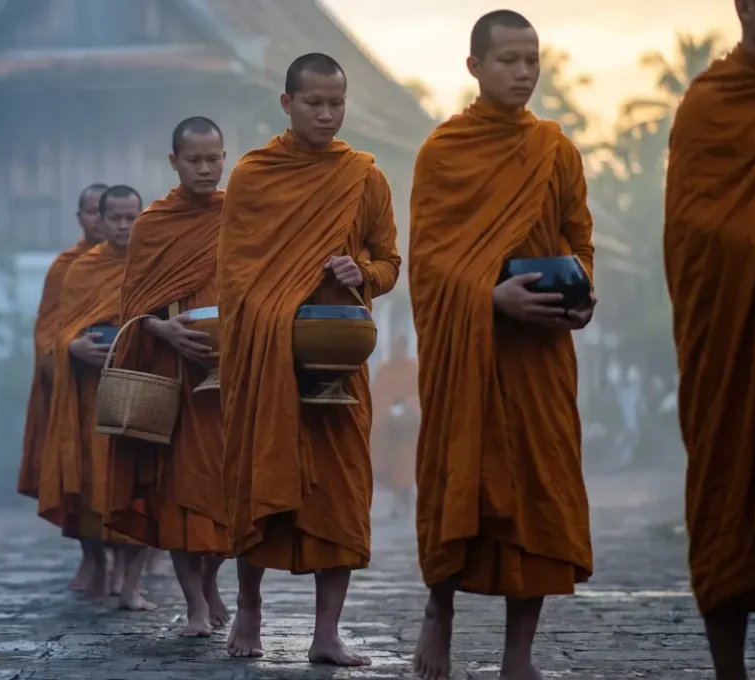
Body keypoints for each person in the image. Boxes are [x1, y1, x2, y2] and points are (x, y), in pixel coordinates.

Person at [406, 11, 596, 680]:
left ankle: (521, 654)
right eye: (508, 60)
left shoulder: (556, 149)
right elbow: (426, 264)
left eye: (532, 60)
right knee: (458, 476)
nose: (523, 72)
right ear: (474, 67)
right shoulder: (443, 152)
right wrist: (489, 296)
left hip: (539, 353)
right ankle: (440, 612)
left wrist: (579, 292)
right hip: (470, 354)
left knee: (540, 490)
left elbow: (579, 238)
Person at [217, 52, 401, 665]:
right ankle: (249, 611)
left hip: (338, 357)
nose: (327, 114)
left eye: (337, 103)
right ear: (287, 103)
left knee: (342, 490)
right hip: (268, 357)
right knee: (259, 474)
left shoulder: (363, 176)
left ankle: (327, 634)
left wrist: (363, 271)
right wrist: (277, 315)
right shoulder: (253, 175)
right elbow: (237, 275)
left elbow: (390, 263)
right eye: (315, 103)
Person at [663, 3, 755, 677]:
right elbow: (694, 234)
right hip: (729, 342)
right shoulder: (710, 106)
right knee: (724, 494)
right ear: (745, 6)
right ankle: (728, 671)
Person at [105, 116, 231, 637]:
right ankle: (195, 606)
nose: (205, 168)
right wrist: (165, 332)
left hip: (234, 376)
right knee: (181, 494)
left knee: (228, 492)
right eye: (194, 159)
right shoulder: (154, 225)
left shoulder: (241, 216)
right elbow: (133, 308)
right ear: (174, 162)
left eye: (214, 158)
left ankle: (213, 584)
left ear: (225, 158)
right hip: (176, 377)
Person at [39, 185, 154, 608]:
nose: (124, 226)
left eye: (132, 217)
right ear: (99, 222)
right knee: (93, 482)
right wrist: (73, 348)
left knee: (139, 482)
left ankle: (131, 582)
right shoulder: (82, 269)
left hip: (139, 386)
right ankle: (100, 564)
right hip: (90, 393)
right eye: (115, 218)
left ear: (143, 218)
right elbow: (63, 329)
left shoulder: (153, 263)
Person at [19, 183, 108, 593]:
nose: (99, 220)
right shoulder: (66, 266)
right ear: (80, 218)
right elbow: (46, 330)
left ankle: (132, 567)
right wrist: (72, 348)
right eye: (90, 212)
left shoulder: (140, 260)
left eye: (104, 212)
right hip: (78, 385)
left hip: (129, 380)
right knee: (83, 473)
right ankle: (92, 559)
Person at [370, 333, 419, 519]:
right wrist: (386, 410)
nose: (398, 350)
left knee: (405, 468)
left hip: (407, 430)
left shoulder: (413, 369)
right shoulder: (385, 369)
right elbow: (377, 395)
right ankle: (399, 501)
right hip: (388, 430)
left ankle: (404, 502)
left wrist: (407, 405)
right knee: (389, 468)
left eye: (401, 346)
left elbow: (418, 393)